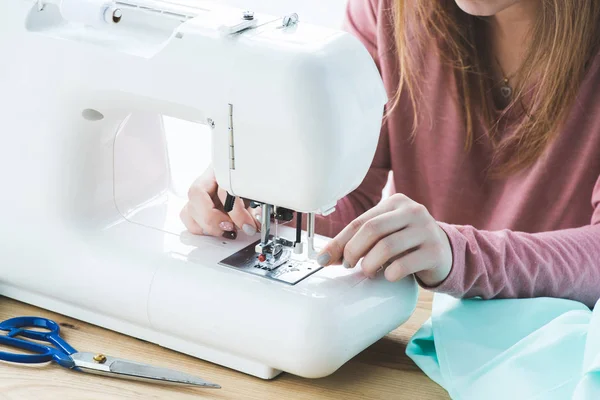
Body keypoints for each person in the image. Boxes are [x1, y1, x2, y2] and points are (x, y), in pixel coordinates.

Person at [180, 0, 600, 308]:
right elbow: (347, 191)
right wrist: (264, 194)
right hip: (426, 335)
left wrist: (458, 254)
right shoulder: (390, 10)